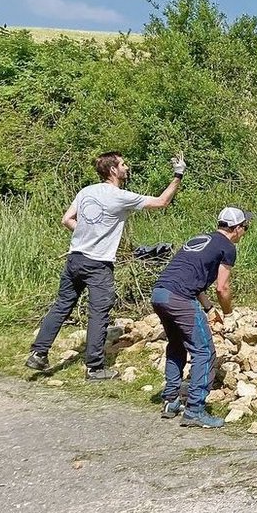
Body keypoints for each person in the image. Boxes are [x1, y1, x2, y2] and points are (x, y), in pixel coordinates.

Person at [26, 152, 186, 379]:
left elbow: (67, 219)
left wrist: (88, 233)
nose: (126, 167)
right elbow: (162, 202)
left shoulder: (86, 191)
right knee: (98, 313)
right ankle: (95, 368)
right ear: (113, 170)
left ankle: (38, 353)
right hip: (98, 264)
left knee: (62, 305)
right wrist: (178, 175)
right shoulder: (119, 196)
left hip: (75, 259)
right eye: (123, 164)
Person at [152, 207, 252, 428]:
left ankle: (170, 401)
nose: (245, 231)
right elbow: (222, 288)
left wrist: (208, 308)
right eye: (245, 227)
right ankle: (195, 410)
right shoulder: (227, 247)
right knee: (205, 351)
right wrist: (228, 313)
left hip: (160, 294)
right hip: (180, 299)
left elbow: (191, 278)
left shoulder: (201, 239)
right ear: (236, 228)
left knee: (177, 345)